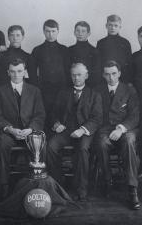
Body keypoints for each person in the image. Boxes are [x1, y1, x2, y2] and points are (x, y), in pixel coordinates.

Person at [46, 63, 102, 202]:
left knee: (82, 149)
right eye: (73, 75)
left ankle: (81, 188)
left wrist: (83, 130)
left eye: (79, 75)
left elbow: (97, 118)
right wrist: (56, 124)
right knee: (50, 147)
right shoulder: (63, 93)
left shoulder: (94, 95)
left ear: (86, 76)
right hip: (66, 131)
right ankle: (58, 184)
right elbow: (53, 113)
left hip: (84, 132)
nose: (76, 78)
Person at [0, 58, 45, 199]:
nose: (16, 75)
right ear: (8, 72)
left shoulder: (34, 91)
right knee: (1, 144)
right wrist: (10, 129)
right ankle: (3, 186)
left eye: (19, 71)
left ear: (25, 72)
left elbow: (40, 115)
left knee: (40, 143)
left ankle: (37, 185)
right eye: (13, 72)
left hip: (28, 131)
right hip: (9, 132)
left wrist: (30, 129)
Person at [94, 60, 140, 210]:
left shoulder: (129, 90)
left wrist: (121, 128)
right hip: (105, 129)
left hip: (126, 129)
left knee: (129, 142)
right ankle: (108, 182)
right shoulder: (97, 90)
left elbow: (134, 116)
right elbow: (95, 114)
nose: (111, 77)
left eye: (114, 73)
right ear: (103, 75)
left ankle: (132, 188)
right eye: (107, 74)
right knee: (101, 143)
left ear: (119, 73)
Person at [30, 19, 70, 126]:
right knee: (45, 114)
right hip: (44, 90)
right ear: (43, 31)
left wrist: (67, 88)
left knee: (61, 114)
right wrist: (37, 88)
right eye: (47, 31)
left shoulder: (64, 50)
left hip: (62, 89)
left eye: (53, 31)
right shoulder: (37, 50)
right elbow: (32, 73)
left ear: (58, 31)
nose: (50, 34)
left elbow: (68, 71)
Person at [96, 14, 132, 83]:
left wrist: (127, 82)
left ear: (120, 27)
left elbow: (129, 65)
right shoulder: (101, 43)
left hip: (122, 80)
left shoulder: (125, 43)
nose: (113, 28)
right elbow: (98, 65)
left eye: (116, 26)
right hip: (105, 79)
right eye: (110, 25)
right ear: (106, 26)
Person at [68, 21, 100, 87]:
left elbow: (96, 73)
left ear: (88, 33)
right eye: (78, 31)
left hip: (89, 86)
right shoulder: (69, 50)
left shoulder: (94, 51)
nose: (80, 34)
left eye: (83, 31)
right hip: (71, 85)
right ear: (74, 32)